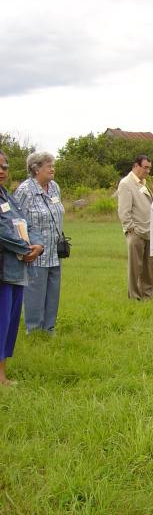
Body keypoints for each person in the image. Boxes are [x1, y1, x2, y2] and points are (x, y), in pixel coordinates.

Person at [0, 150, 44, 385]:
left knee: (8, 323)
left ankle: (2, 374)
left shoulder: (7, 196)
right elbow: (2, 232)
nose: (2, 171)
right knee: (1, 322)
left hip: (16, 271)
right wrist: (26, 248)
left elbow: (24, 222)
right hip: (3, 272)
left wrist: (38, 245)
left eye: (5, 167)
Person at [12, 152, 65, 334]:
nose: (52, 169)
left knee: (53, 291)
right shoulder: (25, 190)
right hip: (35, 251)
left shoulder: (55, 187)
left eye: (53, 165)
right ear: (36, 169)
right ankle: (33, 330)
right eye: (48, 166)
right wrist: (24, 245)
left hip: (54, 250)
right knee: (35, 291)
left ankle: (49, 328)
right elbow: (16, 219)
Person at [117, 155, 153, 299]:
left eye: (149, 168)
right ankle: (134, 296)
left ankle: (147, 295)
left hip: (149, 230)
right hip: (136, 231)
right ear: (135, 166)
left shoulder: (143, 182)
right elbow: (123, 210)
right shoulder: (126, 183)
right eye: (145, 167)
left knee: (149, 266)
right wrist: (131, 228)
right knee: (135, 267)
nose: (148, 171)